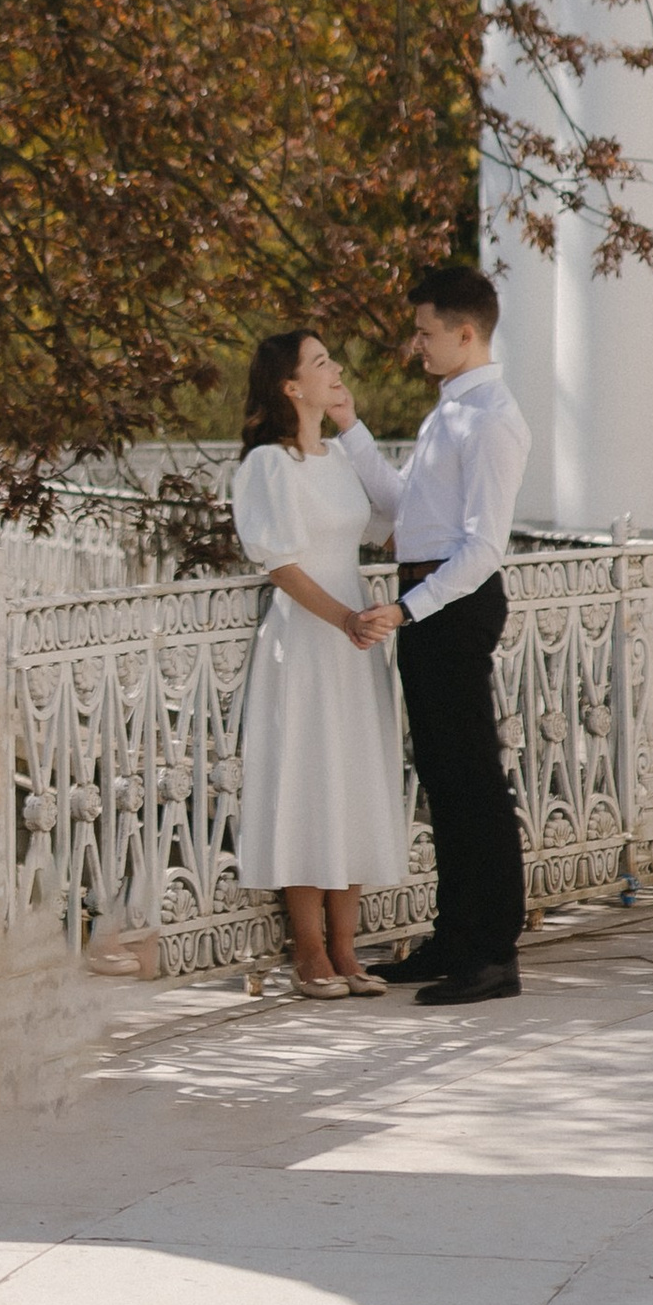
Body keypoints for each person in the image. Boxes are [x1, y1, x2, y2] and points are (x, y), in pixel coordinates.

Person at [342, 262, 530, 1008]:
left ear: (464, 332)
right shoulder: (449, 411)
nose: (415, 345)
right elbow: (400, 508)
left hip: (450, 602)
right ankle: (455, 940)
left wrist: (409, 608)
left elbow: (485, 547)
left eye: (425, 333)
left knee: (474, 781)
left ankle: (492, 955)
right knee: (445, 781)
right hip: (427, 598)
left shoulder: (492, 419)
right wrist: (350, 426)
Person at [229, 328, 410, 995]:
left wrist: (353, 425)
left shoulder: (338, 458)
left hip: (355, 635)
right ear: (289, 386)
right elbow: (280, 563)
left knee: (355, 773)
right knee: (306, 775)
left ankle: (346, 943)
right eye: (320, 363)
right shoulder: (264, 467)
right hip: (309, 635)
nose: (335, 369)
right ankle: (309, 949)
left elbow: (389, 521)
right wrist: (344, 618)